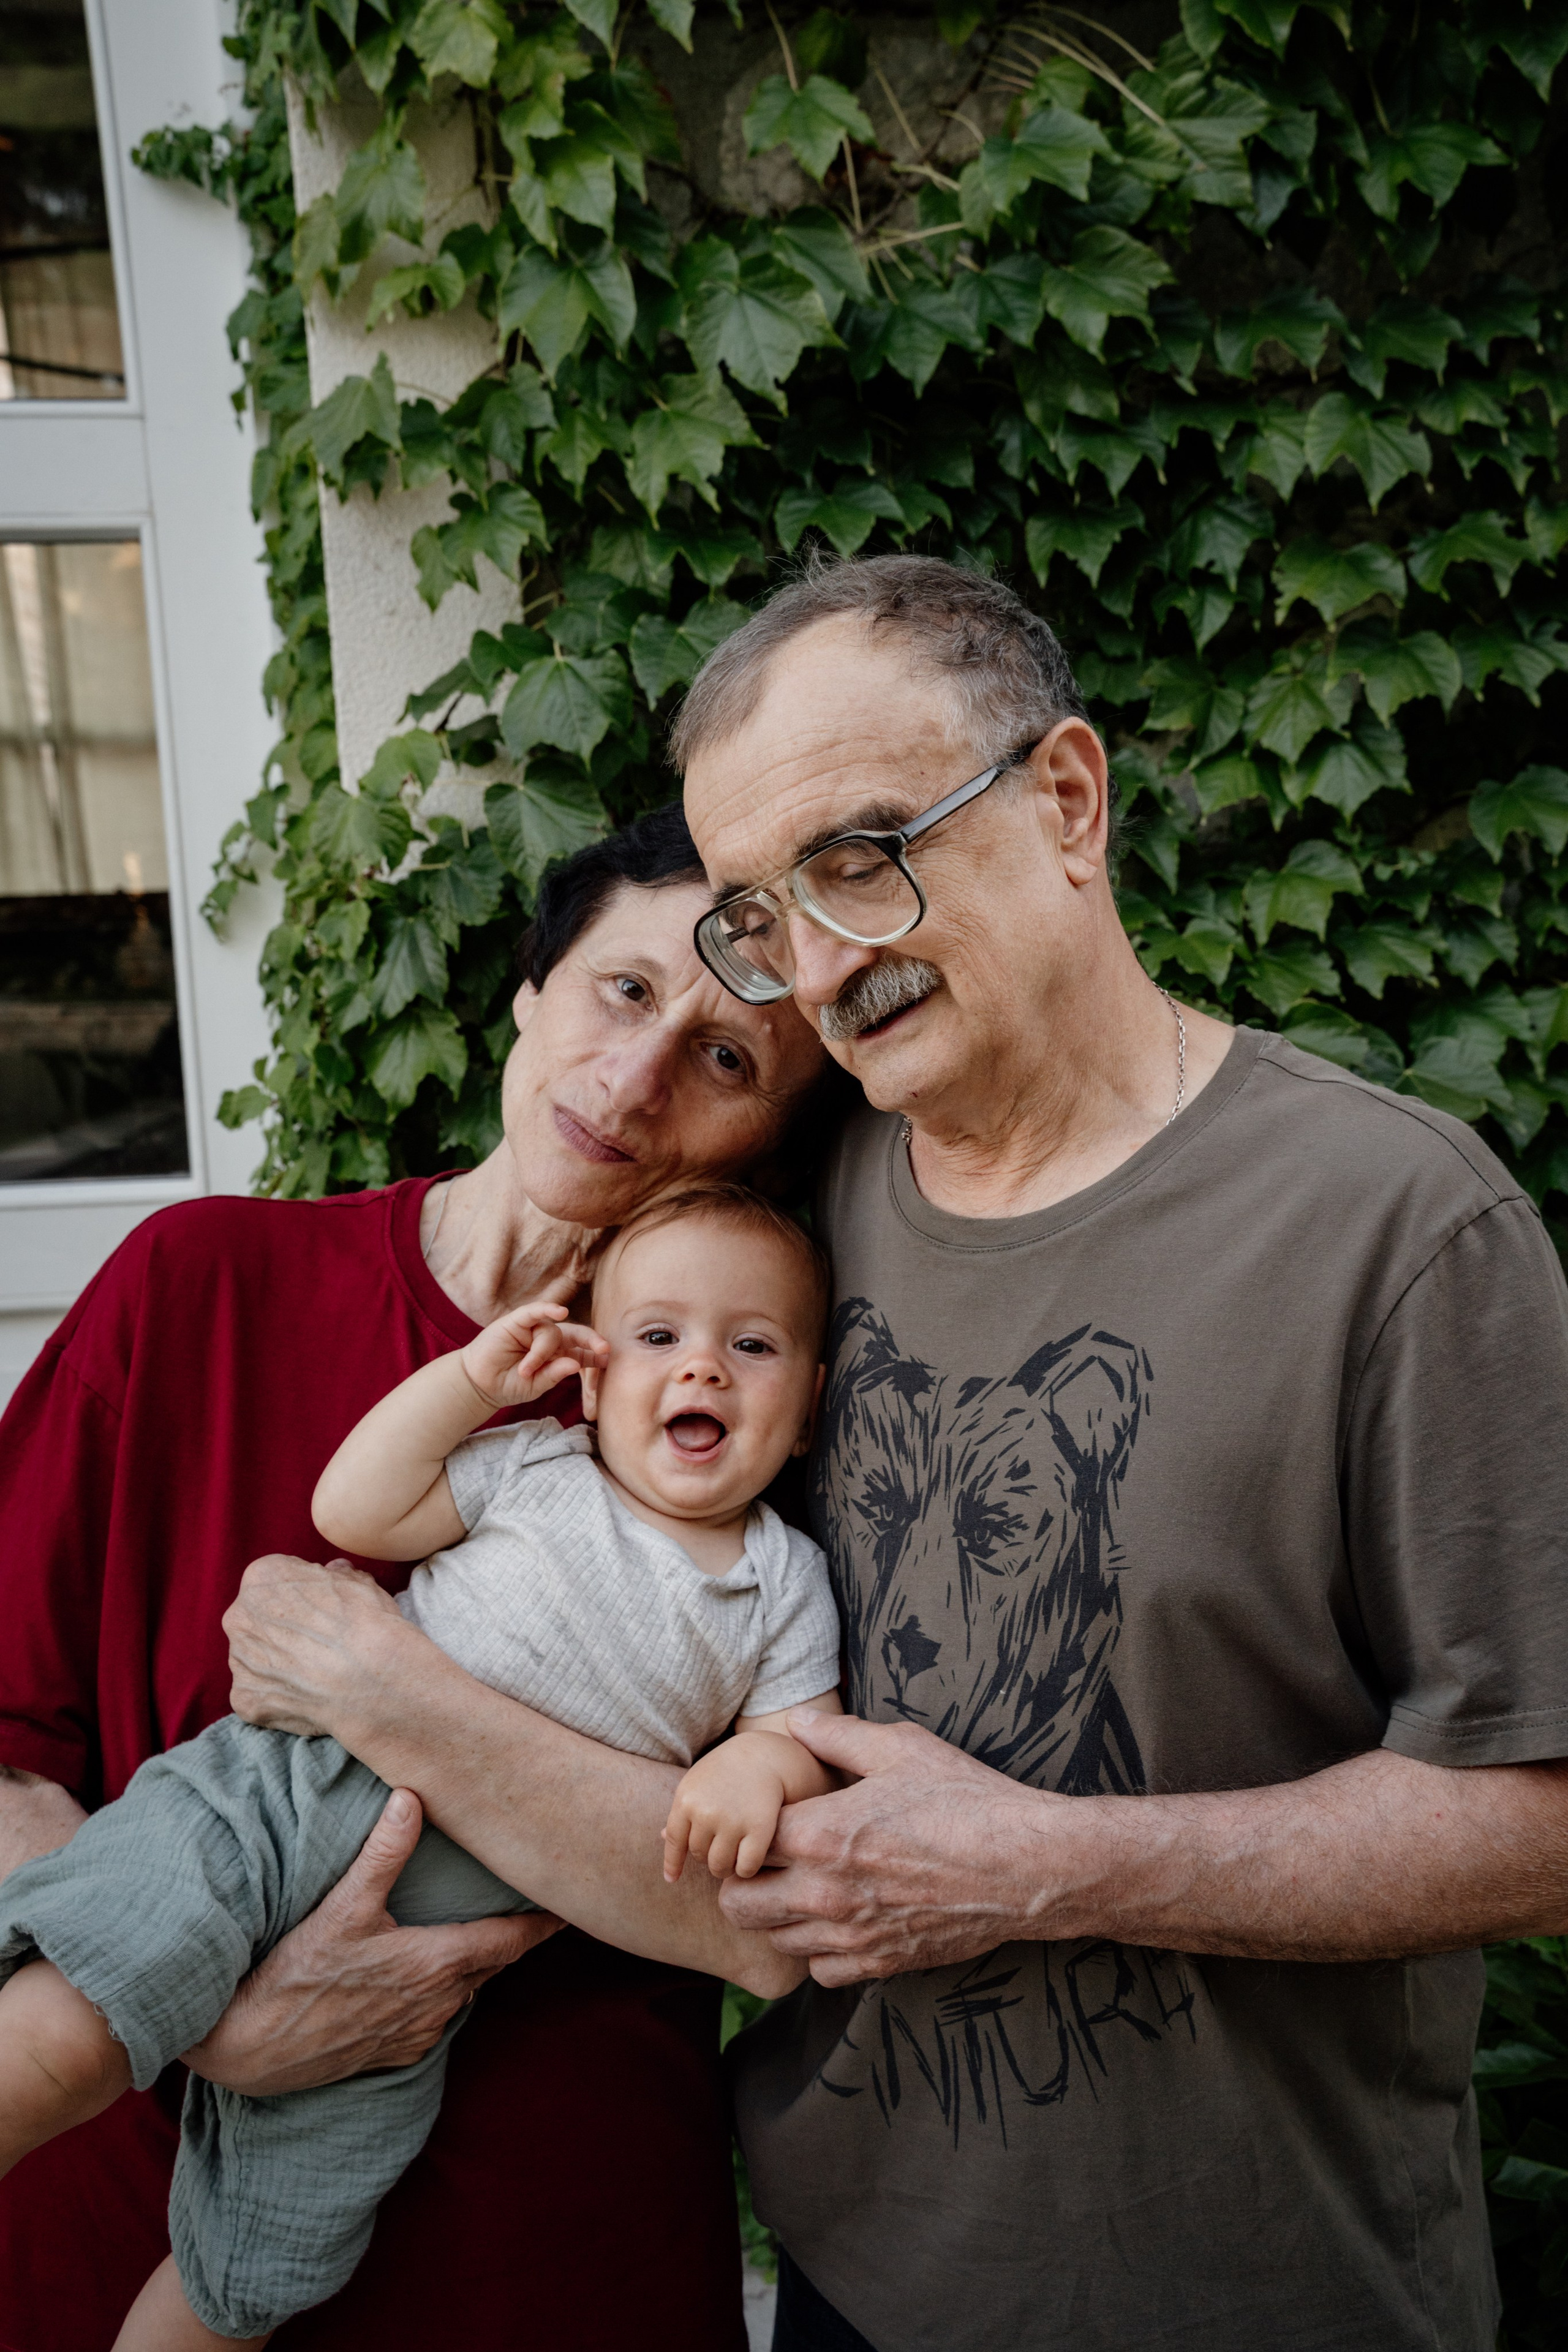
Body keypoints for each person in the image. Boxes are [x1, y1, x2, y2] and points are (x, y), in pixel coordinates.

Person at [213, 554, 1568, 2351]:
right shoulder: (796, 1224)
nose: (823, 968)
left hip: (1265, 2294)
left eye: (862, 858)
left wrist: (1059, 1864)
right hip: (855, 2282)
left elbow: (1541, 1821)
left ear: (1068, 801)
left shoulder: (1396, 1230)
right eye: (764, 914)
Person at [0, 802, 830, 2352]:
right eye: (625, 989)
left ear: (767, 1141)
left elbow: (770, 1924)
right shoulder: (199, 1290)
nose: (637, 1075)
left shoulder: (760, 1451)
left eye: (728, 1059)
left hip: (543, 2273)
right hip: (112, 2212)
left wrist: (391, 1695)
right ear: (529, 989)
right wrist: (193, 2009)